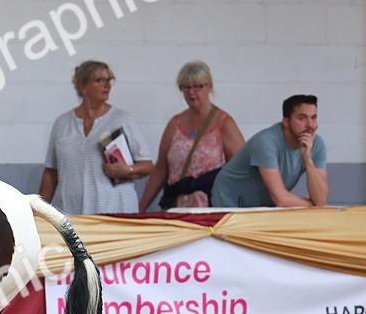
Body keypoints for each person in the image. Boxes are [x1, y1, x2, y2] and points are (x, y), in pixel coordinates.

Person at [38, 60, 153, 214]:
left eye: (109, 80)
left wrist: (127, 170)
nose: (107, 85)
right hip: (71, 212)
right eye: (100, 80)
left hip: (115, 211)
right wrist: (37, 211)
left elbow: (147, 166)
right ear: (83, 86)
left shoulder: (123, 119)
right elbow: (51, 172)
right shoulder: (62, 123)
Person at [139, 61, 245, 211]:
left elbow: (240, 168)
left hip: (210, 209)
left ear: (209, 87)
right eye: (185, 87)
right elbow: (161, 169)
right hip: (176, 208)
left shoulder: (224, 123)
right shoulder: (175, 123)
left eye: (197, 86)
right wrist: (141, 208)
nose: (191, 92)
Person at [210, 95, 328, 208]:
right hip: (229, 199)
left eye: (313, 117)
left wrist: (308, 160)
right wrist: (311, 205)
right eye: (302, 118)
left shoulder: (316, 145)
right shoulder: (266, 142)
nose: (311, 125)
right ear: (286, 122)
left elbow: (321, 199)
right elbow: (281, 199)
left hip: (261, 206)